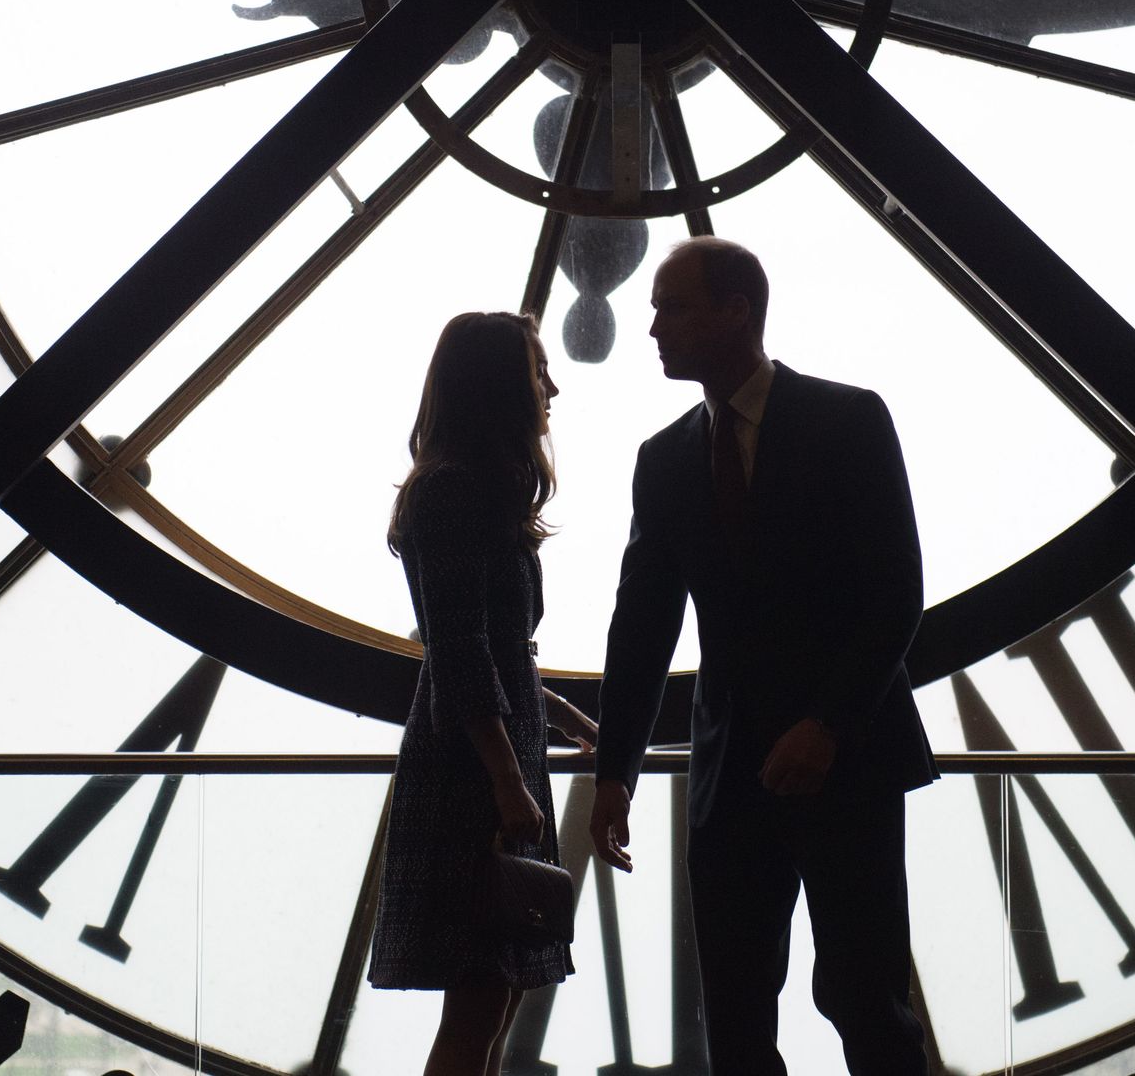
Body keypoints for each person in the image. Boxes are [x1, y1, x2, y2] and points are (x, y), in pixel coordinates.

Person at [587, 237, 937, 1074]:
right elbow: (893, 599)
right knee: (867, 1000)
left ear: (734, 310)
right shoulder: (848, 421)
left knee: (742, 1015)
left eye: (669, 307)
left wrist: (616, 774)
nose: (654, 329)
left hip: (729, 774)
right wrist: (830, 725)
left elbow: (644, 628)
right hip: (850, 766)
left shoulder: (667, 461)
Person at [368, 311, 599, 1076]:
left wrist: (541, 721)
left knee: (480, 997)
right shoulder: (469, 495)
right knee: (486, 997)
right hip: (485, 769)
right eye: (538, 372)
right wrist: (509, 777)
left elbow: (462, 645)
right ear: (502, 388)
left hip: (477, 761)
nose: (552, 386)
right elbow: (469, 651)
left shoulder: (446, 493)